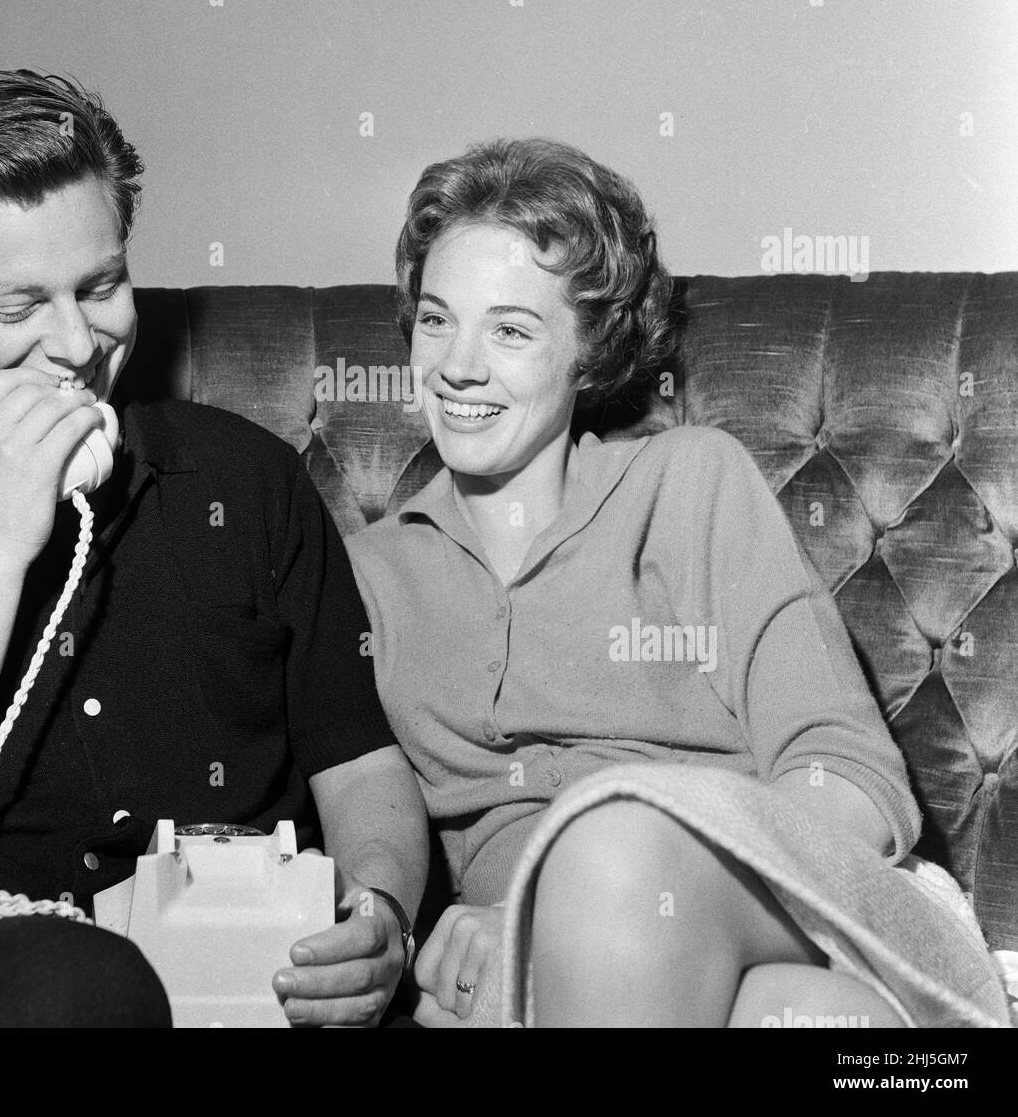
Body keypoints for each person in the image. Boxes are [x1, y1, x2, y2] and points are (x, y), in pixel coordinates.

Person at [0, 68, 427, 1029]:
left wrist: (381, 919)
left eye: (101, 286)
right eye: (20, 305)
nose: (76, 343)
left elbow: (359, 763)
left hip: (232, 981)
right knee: (79, 991)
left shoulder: (249, 483)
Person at [346, 137, 1007, 1028]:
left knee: (616, 857)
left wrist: (563, 911)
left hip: (815, 908)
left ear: (589, 354)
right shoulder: (367, 574)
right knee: (792, 1019)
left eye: (510, 328)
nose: (458, 365)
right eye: (436, 319)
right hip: (566, 992)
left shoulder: (690, 483)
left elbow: (852, 784)